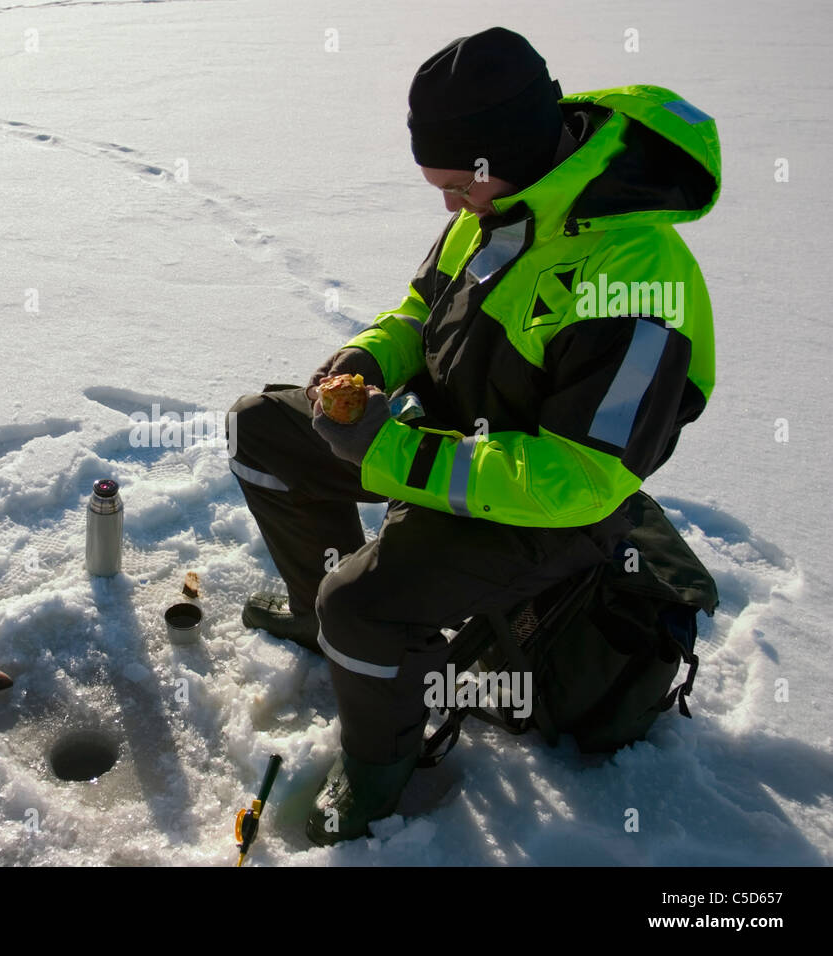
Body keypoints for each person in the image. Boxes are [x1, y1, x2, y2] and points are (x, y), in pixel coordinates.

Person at [226, 26, 719, 846]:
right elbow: (422, 311)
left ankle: (380, 770)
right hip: (455, 445)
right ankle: (322, 621)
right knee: (260, 433)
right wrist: (366, 356)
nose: (451, 206)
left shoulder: (635, 276)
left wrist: (392, 454)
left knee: (366, 609)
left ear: (509, 154)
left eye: (459, 187)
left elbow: (585, 476)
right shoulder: (503, 202)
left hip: (553, 509)